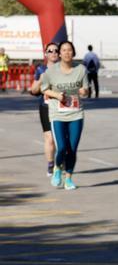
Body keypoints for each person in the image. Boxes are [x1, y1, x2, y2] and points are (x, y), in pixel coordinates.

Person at [40, 41, 89, 191]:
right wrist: (57, 95)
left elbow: (86, 88)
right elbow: (44, 89)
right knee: (61, 148)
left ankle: (68, 178)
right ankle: (57, 168)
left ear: (73, 53)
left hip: (76, 113)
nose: (67, 53)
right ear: (59, 54)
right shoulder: (51, 71)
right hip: (57, 114)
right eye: (64, 50)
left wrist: (84, 92)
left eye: (70, 50)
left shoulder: (81, 69)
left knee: (72, 149)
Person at [30, 43, 59, 176]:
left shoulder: (64, 69)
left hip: (62, 107)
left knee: (61, 139)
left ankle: (61, 162)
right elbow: (33, 90)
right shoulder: (41, 69)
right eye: (50, 51)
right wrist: (41, 80)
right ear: (46, 54)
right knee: (49, 138)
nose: (53, 53)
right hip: (45, 106)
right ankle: (50, 164)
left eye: (56, 51)